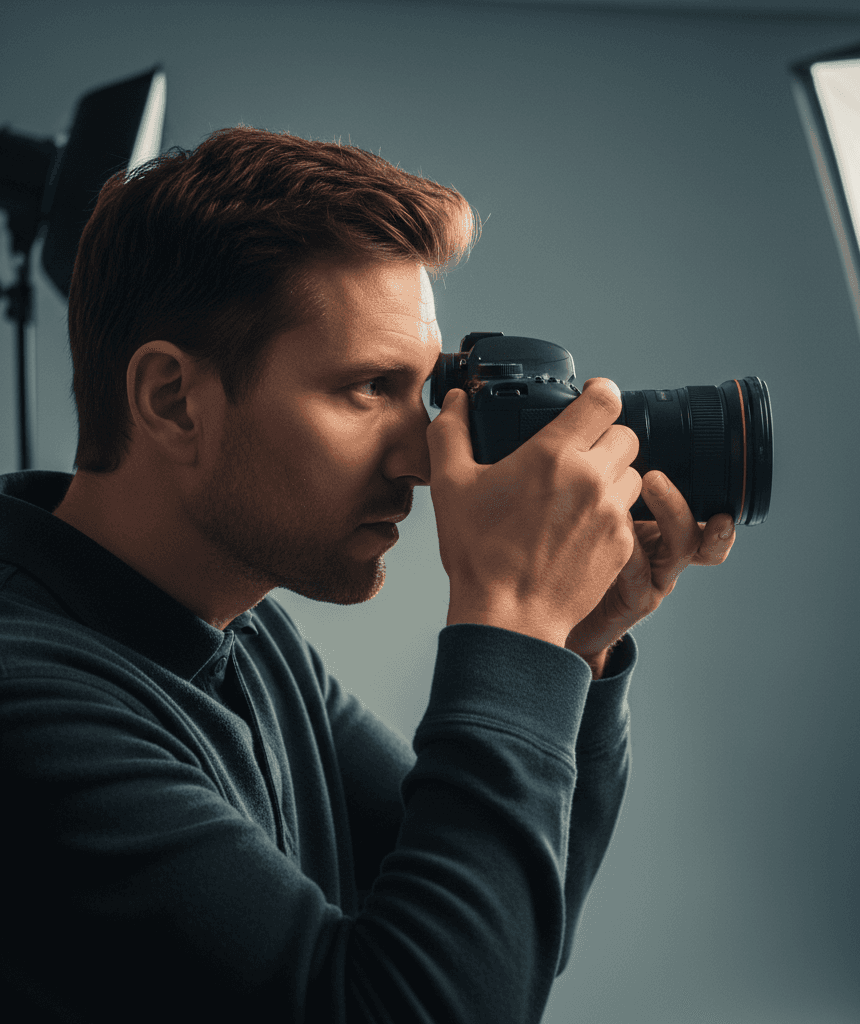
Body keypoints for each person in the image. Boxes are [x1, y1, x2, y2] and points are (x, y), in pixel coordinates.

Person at [0, 127, 737, 1023]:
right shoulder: (27, 702)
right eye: (365, 389)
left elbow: (496, 939)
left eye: (421, 392)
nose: (424, 463)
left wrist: (575, 644)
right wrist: (511, 618)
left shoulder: (242, 630)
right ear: (171, 400)